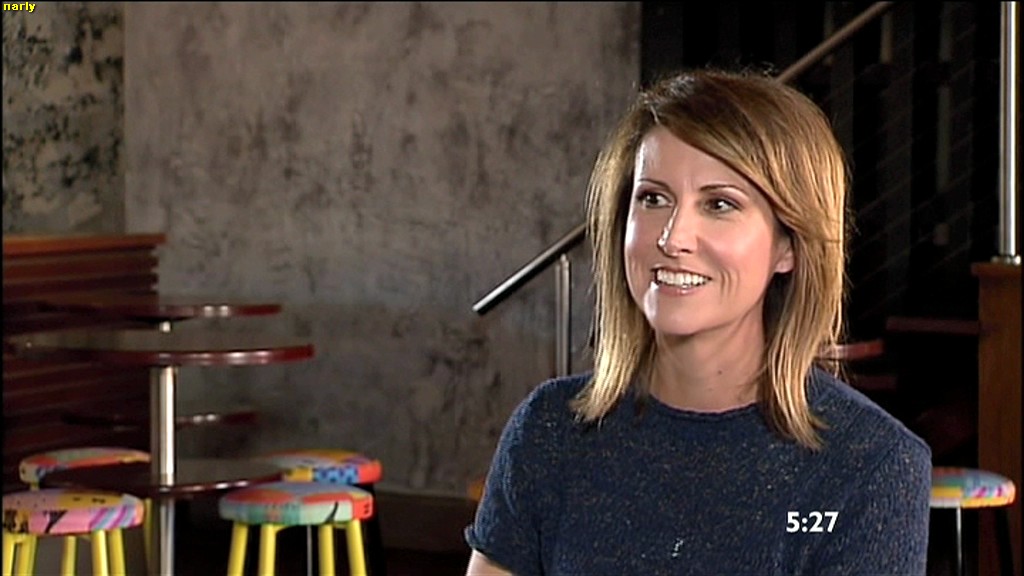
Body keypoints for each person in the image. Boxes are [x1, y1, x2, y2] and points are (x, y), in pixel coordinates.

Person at [464, 68, 932, 576]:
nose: (672, 237)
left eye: (719, 204)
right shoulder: (548, 431)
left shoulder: (870, 465)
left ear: (789, 246)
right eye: (653, 198)